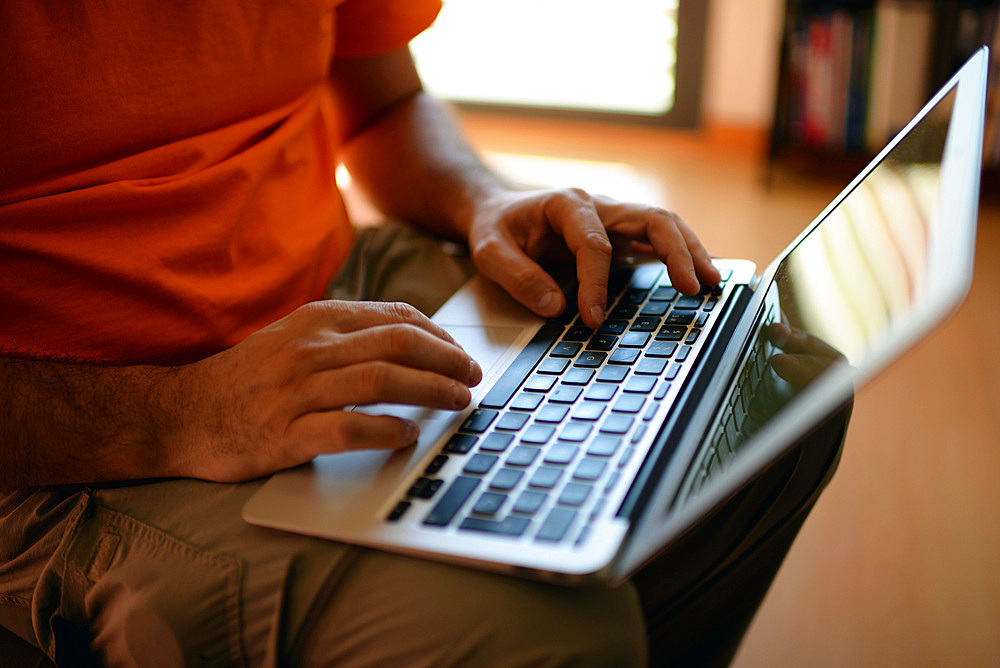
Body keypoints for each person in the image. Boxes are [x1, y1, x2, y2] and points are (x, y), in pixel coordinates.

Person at [0, 2, 847, 665]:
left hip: (343, 286)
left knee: (783, 394)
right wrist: (181, 413)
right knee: (546, 637)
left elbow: (385, 104)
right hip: (97, 422)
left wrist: (481, 198)